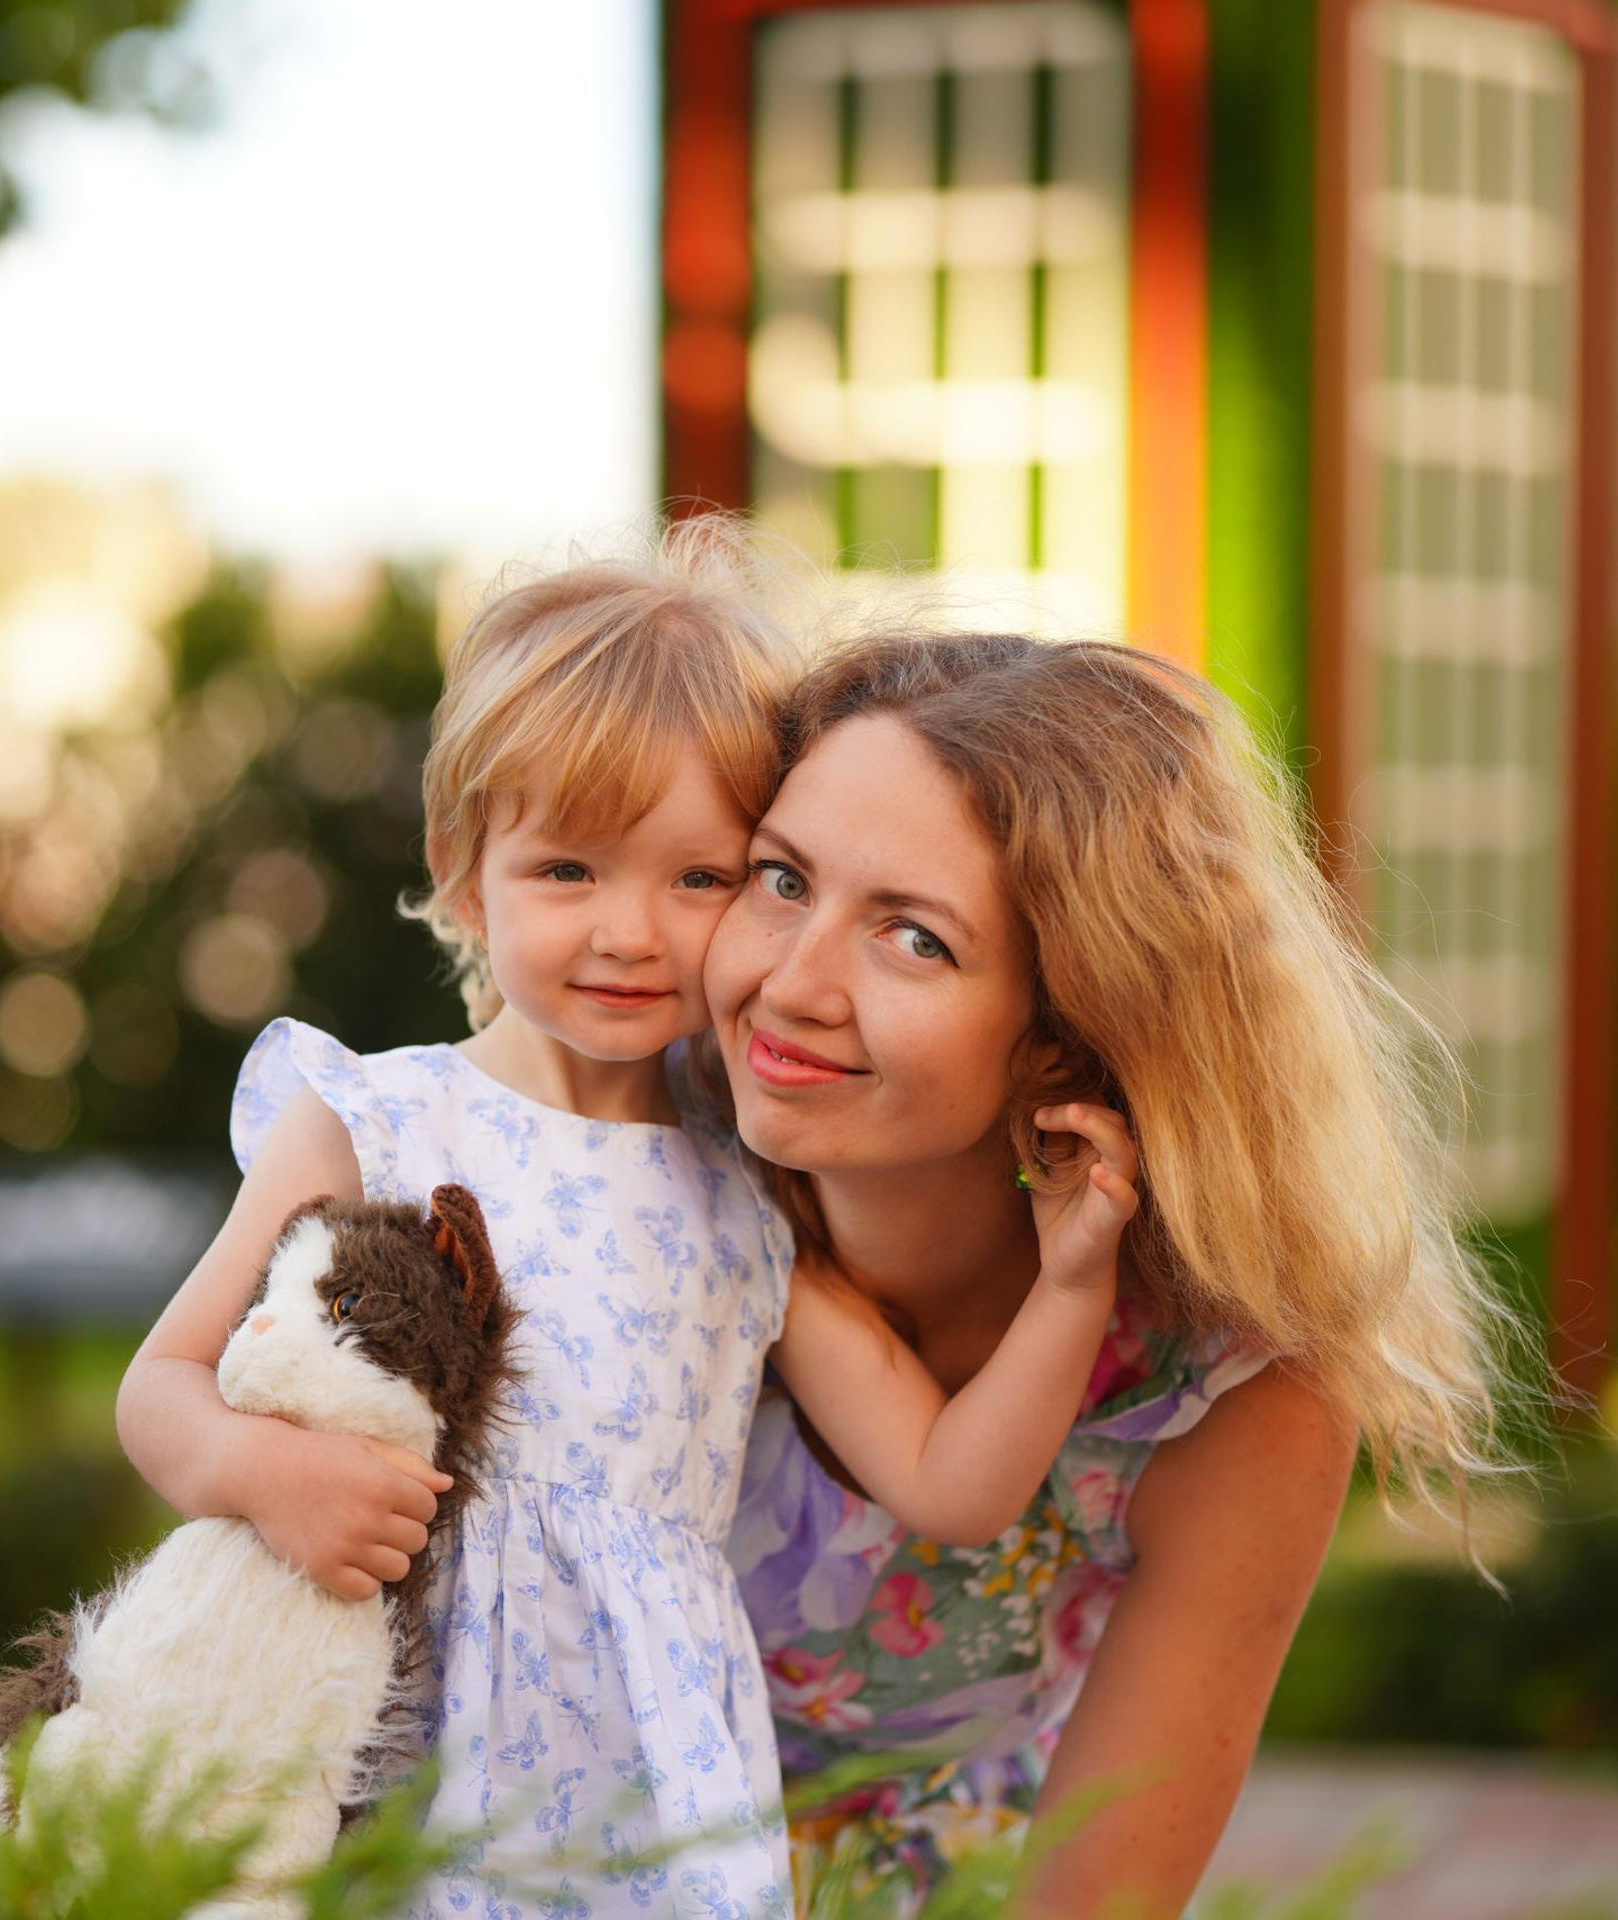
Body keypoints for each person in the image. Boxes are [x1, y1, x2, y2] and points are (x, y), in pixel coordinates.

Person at [112, 536, 1147, 1920]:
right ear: (467, 871)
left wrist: (1074, 1280)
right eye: (569, 873)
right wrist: (258, 1470)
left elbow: (953, 1483)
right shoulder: (377, 1126)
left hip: (643, 1792)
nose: (632, 933)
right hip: (393, 1734)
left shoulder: (744, 1196)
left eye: (701, 879)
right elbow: (157, 1388)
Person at [704, 632, 1517, 1920]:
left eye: (913, 939)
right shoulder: (614, 1181)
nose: (790, 986)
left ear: (1071, 1036)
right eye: (781, 879)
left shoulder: (1229, 1392)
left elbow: (1099, 1900)